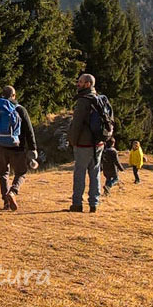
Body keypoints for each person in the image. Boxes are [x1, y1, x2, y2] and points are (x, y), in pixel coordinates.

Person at [0, 86, 37, 211]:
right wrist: (33, 148)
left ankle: (6, 202)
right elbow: (29, 131)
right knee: (21, 172)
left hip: (1, 147)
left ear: (2, 95)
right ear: (14, 95)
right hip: (17, 148)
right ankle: (13, 192)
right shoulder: (20, 109)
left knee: (3, 174)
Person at [69, 73, 105, 213]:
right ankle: (94, 203)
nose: (78, 84)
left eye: (81, 82)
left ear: (88, 84)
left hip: (84, 144)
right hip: (98, 143)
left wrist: (72, 141)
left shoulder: (83, 101)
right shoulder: (98, 99)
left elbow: (76, 124)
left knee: (80, 173)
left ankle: (77, 203)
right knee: (95, 172)